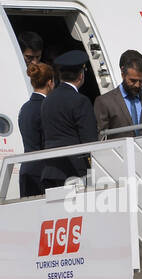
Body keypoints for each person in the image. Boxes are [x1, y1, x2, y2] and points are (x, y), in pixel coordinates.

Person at [38, 50, 97, 189]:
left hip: (51, 169)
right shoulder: (80, 101)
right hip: (75, 171)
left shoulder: (47, 100)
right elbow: (90, 140)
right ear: (81, 75)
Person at [18, 61, 53, 197]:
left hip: (27, 168)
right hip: (43, 171)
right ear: (50, 82)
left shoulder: (25, 108)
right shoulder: (47, 107)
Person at [93, 50, 142, 133]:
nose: (137, 85)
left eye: (141, 81)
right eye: (133, 80)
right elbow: (101, 136)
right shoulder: (105, 102)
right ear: (123, 75)